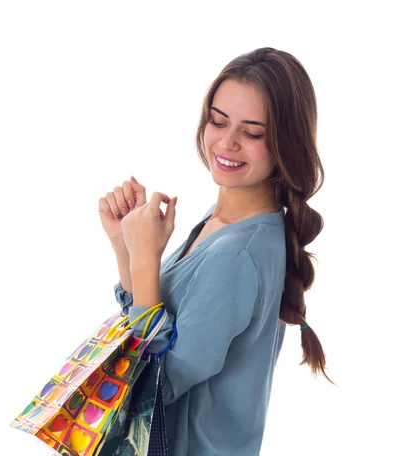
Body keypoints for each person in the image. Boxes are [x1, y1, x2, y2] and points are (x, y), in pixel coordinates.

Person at [98, 47, 334, 456]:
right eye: (218, 120)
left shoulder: (238, 254)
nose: (227, 142)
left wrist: (145, 258)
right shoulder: (221, 222)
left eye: (253, 132)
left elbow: (155, 382)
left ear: (285, 144)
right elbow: (146, 331)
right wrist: (126, 244)